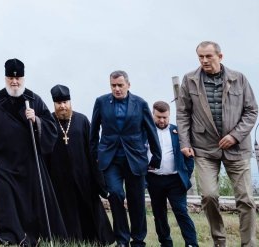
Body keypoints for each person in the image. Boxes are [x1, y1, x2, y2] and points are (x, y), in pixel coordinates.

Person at [0, 58, 67, 246]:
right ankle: (5, 236)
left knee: (28, 203)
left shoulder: (34, 100)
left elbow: (51, 128)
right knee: (5, 200)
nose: (14, 82)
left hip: (29, 163)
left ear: (23, 79)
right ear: (6, 78)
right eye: (11, 78)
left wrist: (36, 120)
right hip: (3, 163)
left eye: (18, 79)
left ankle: (29, 237)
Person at [176, 40, 258, 247]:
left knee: (246, 199)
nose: (204, 60)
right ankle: (219, 241)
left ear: (220, 57)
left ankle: (248, 244)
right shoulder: (189, 80)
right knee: (209, 195)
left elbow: (251, 111)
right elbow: (183, 113)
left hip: (237, 148)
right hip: (204, 148)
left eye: (208, 56)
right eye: (200, 57)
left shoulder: (239, 78)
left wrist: (235, 136)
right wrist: (184, 142)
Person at [90, 70, 161, 247]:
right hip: (110, 158)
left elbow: (151, 131)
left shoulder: (140, 104)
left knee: (136, 200)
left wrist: (156, 157)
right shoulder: (101, 102)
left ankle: (138, 239)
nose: (117, 89)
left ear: (128, 85)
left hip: (135, 158)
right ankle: (122, 240)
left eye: (120, 85)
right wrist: (95, 155)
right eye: (113, 85)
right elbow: (94, 130)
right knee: (115, 194)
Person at [45, 84, 114, 246]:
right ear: (54, 104)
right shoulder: (48, 121)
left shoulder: (82, 120)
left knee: (88, 208)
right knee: (65, 210)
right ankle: (67, 240)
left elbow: (92, 151)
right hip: (58, 177)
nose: (63, 106)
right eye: (59, 103)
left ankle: (95, 239)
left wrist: (99, 179)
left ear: (70, 102)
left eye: (65, 102)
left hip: (83, 175)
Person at [146, 100, 198, 247]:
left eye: (165, 117)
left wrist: (185, 176)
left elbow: (189, 157)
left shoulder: (179, 132)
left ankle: (191, 244)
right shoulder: (146, 132)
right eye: (159, 117)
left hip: (175, 180)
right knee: (159, 214)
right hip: (154, 180)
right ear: (153, 115)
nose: (162, 120)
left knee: (181, 212)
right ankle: (166, 243)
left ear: (169, 116)